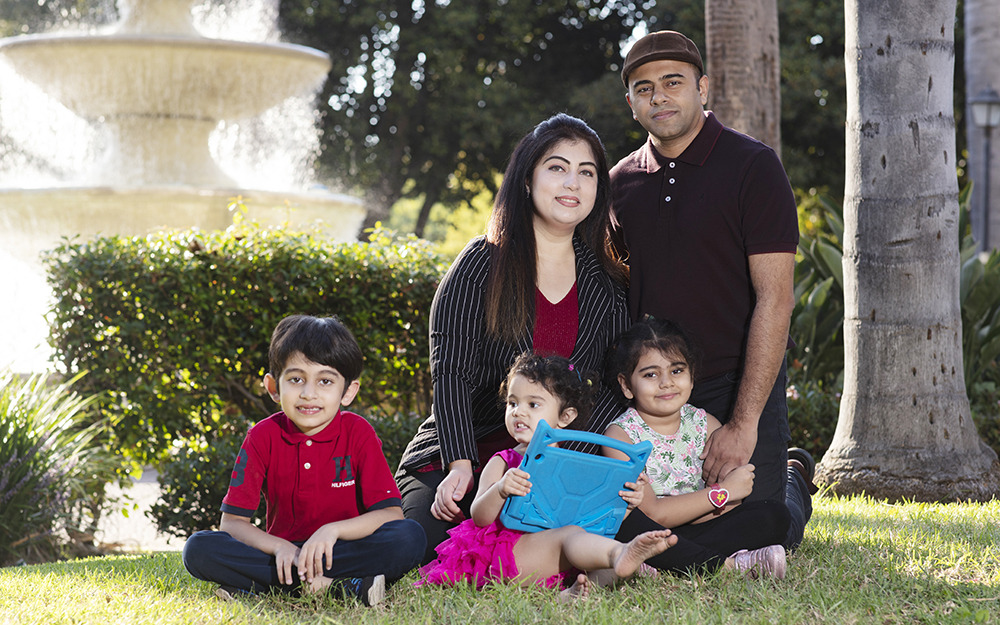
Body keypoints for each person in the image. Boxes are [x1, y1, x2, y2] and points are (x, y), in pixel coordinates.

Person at [609, 30, 814, 550]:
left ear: (703, 88)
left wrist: (744, 424)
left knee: (767, 530)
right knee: (631, 516)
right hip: (656, 387)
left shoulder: (754, 166)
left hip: (738, 379)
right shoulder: (617, 184)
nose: (659, 96)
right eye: (644, 88)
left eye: (673, 82)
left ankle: (792, 479)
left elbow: (776, 298)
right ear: (630, 102)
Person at [396, 113, 630, 564]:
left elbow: (608, 389)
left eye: (587, 173)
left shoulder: (607, 280)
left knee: (614, 539)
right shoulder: (482, 263)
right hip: (471, 449)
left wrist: (572, 466)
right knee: (425, 547)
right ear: (527, 179)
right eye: (557, 167)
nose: (572, 183)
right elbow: (451, 375)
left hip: (557, 462)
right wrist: (460, 465)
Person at [182, 315, 426, 606]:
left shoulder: (358, 433)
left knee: (409, 537)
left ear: (348, 391)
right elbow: (233, 523)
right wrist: (280, 548)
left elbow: (390, 515)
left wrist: (332, 531)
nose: (309, 394)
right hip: (283, 554)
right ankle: (339, 588)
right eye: (296, 379)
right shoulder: (262, 437)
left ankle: (267, 586)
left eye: (325, 381)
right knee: (198, 549)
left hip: (343, 550)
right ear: (274, 387)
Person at [419, 352, 676, 599]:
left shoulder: (572, 465)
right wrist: (500, 490)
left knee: (592, 553)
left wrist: (627, 503)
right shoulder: (503, 462)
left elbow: (594, 519)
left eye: (533, 404)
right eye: (512, 403)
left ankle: (573, 593)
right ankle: (620, 553)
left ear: (565, 417)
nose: (518, 411)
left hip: (556, 553)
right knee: (570, 536)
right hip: (510, 556)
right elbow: (480, 517)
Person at [604, 317, 789, 577]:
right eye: (650, 374)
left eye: (677, 370)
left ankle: (663, 562)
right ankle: (725, 566)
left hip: (694, 531)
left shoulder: (705, 424)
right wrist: (721, 492)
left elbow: (731, 505)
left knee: (774, 514)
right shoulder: (621, 436)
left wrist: (723, 496)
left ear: (691, 377)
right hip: (649, 530)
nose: (666, 382)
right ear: (626, 385)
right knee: (625, 523)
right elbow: (654, 513)